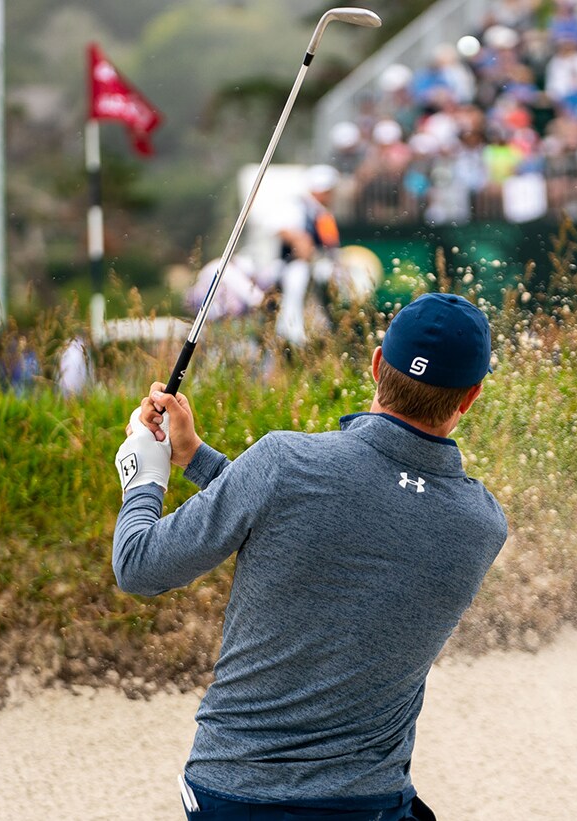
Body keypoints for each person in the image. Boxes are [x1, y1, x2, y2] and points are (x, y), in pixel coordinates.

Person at [112, 293, 507, 821]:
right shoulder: (482, 524)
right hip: (368, 804)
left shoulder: (283, 462)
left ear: (376, 365)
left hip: (235, 793)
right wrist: (200, 461)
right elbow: (344, 519)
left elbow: (138, 566)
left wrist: (143, 474)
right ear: (471, 396)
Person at [272, 165, 342, 350]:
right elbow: (282, 230)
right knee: (297, 280)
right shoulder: (297, 206)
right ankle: (290, 332)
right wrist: (300, 240)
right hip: (293, 265)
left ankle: (324, 328)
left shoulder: (322, 212)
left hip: (317, 264)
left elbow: (330, 245)